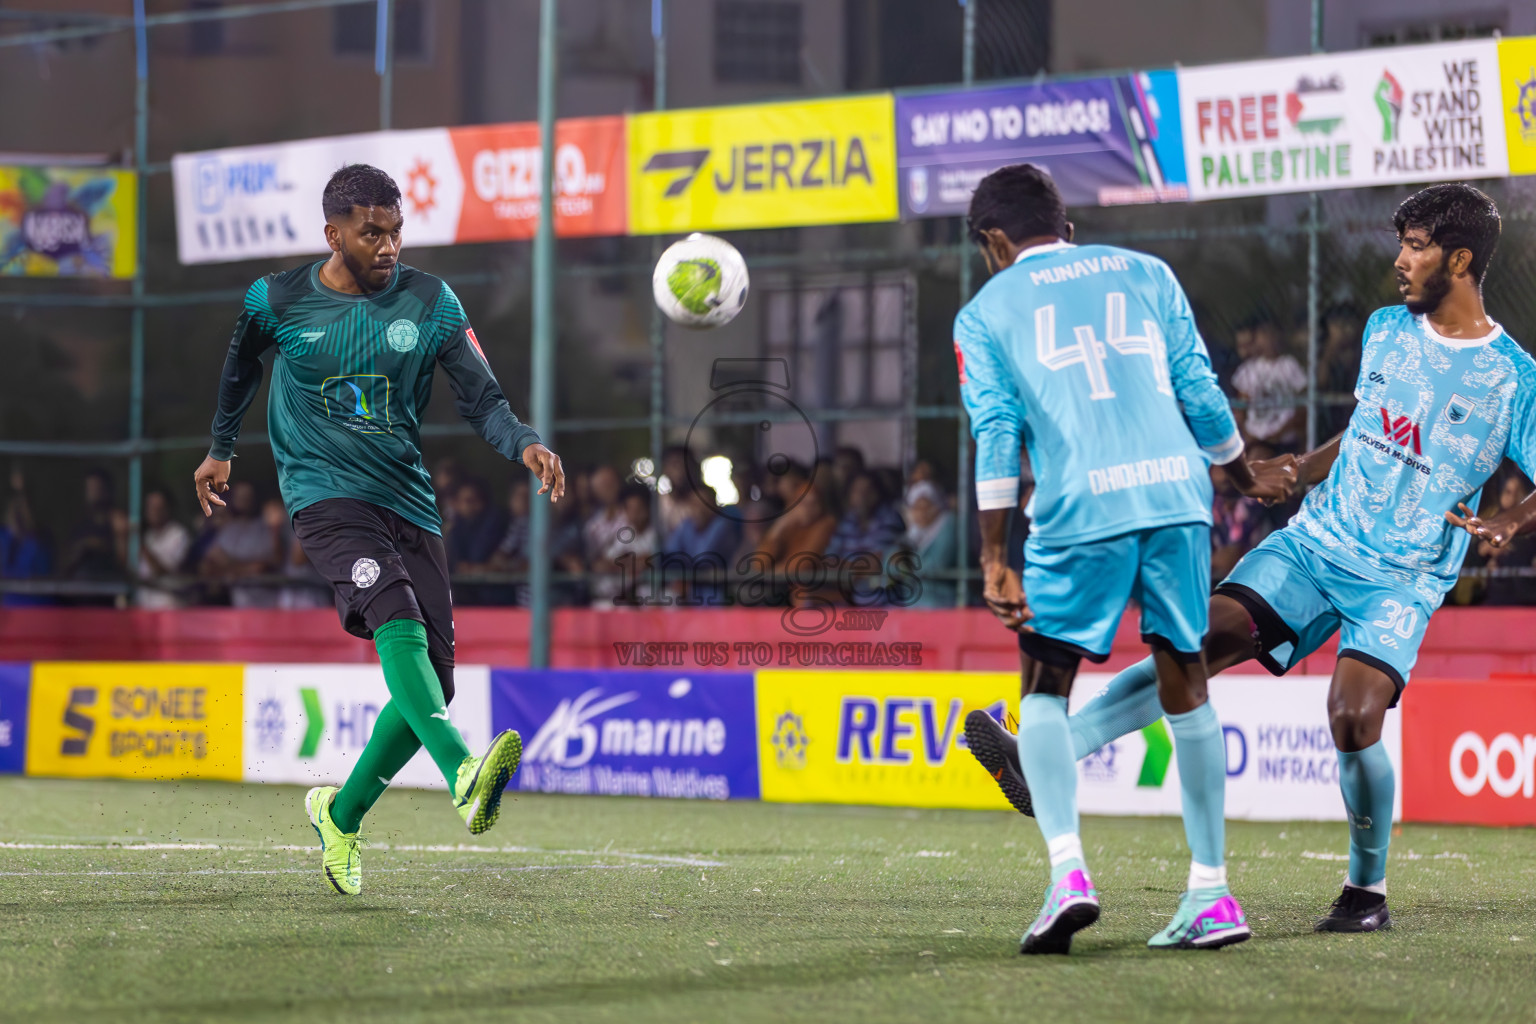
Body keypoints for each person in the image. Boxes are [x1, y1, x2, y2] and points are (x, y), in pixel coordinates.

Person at [966, 182, 1536, 936]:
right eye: (1401, 244)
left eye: (1417, 246)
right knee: (1197, 641)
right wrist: (1304, 468)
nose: (1400, 261)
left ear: (1460, 259)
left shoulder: (1514, 376)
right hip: (1315, 544)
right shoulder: (1384, 330)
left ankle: (1366, 891)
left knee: (1353, 718)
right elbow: (1369, 426)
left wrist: (1508, 521)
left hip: (1403, 575)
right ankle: (1051, 758)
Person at [193, 163, 565, 897]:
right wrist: (222, 445)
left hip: (408, 500)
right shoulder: (276, 300)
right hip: (325, 496)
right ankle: (462, 772)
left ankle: (340, 813)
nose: (389, 245)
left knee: (437, 681)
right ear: (333, 233)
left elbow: (481, 397)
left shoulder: (431, 301)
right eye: (372, 233)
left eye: (396, 231)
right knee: (394, 613)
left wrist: (522, 439)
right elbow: (240, 368)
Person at [954, 163, 1292, 955]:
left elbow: (998, 432)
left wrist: (994, 554)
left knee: (1043, 689)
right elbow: (1201, 390)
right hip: (1178, 497)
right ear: (1064, 225)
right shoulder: (1148, 272)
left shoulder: (984, 311)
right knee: (1188, 679)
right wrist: (1245, 476)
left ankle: (1068, 875)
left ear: (993, 241)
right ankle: (1212, 893)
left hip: (1081, 507)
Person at [199, 480, 281, 608]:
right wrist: (240, 569)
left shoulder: (266, 527)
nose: (244, 500)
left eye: (247, 496)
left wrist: (230, 567)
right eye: (240, 496)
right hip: (239, 606)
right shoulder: (229, 529)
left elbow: (262, 566)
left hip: (267, 604)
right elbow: (209, 563)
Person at [1232, 318, 1307, 452]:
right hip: (1256, 438)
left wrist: (1280, 433)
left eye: (1271, 334)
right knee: (1257, 458)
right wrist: (1246, 434)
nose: (1268, 340)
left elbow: (1302, 405)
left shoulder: (1289, 365)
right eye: (1263, 335)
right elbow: (1241, 408)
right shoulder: (1249, 369)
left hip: (1284, 437)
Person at [445, 478, 511, 606]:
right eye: (464, 501)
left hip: (496, 598)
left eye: (473, 500)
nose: (468, 505)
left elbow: (479, 556)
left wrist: (475, 568)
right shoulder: (456, 526)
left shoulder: (495, 520)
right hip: (466, 600)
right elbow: (457, 565)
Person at [900, 480, 957, 608]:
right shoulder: (912, 533)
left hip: (941, 604)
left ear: (937, 506)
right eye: (917, 508)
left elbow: (938, 564)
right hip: (912, 606)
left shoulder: (948, 525)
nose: (922, 513)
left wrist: (905, 566)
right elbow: (890, 561)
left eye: (927, 507)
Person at [136, 488, 192, 609]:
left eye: (158, 508)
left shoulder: (179, 535)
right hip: (145, 608)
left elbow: (163, 571)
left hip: (169, 609)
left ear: (168, 509)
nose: (154, 512)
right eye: (150, 507)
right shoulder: (148, 536)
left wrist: (140, 545)